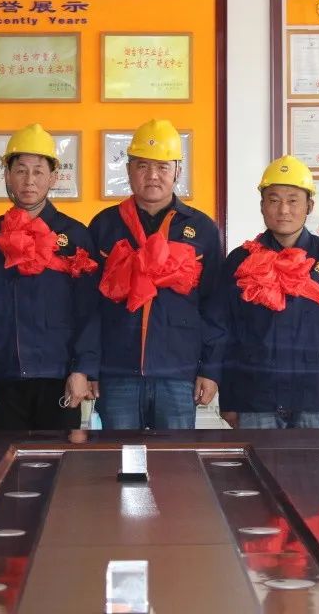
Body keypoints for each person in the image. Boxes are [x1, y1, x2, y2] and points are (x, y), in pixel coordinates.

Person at [89, 119, 224, 429]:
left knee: (175, 457)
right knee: (120, 455)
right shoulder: (104, 226)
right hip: (116, 371)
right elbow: (89, 306)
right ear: (128, 170)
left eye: (163, 166)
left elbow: (215, 307)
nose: (152, 175)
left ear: (178, 171)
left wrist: (210, 369)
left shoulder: (201, 229)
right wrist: (88, 367)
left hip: (178, 374)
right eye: (142, 166)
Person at [0, 124, 99, 429]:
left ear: (53, 177)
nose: (29, 180)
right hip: (4, 379)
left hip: (60, 378)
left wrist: (82, 369)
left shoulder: (75, 236)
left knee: (59, 458)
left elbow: (89, 312)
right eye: (20, 171)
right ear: (7, 176)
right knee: (5, 457)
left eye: (38, 171)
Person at [217, 155, 319, 429]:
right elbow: (225, 331)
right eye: (274, 200)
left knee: (318, 461)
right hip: (255, 398)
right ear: (262, 205)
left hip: (318, 397)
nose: (283, 210)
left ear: (309, 206)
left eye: (293, 200)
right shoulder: (240, 260)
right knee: (258, 459)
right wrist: (229, 400)